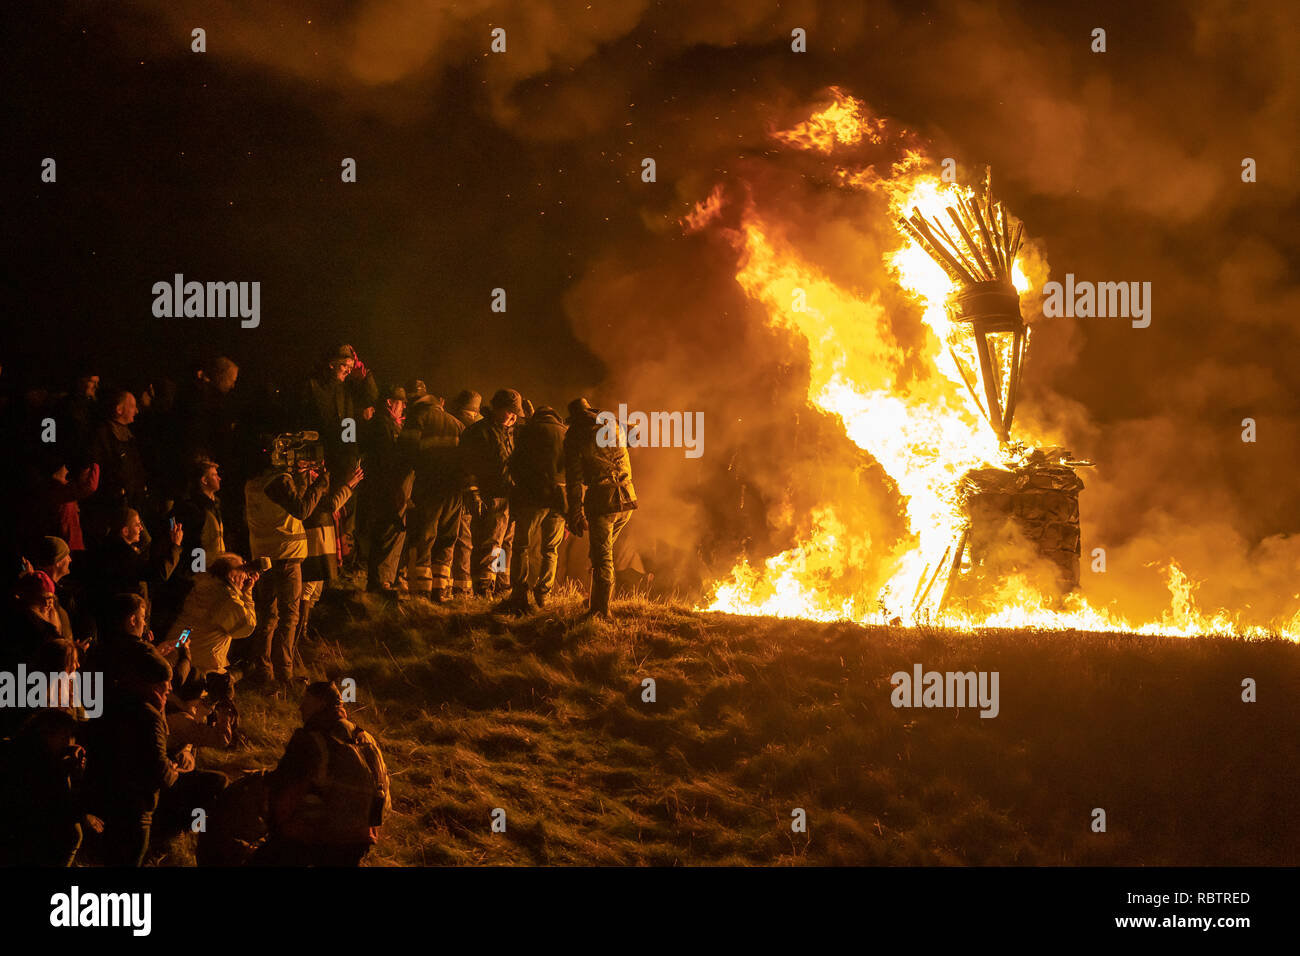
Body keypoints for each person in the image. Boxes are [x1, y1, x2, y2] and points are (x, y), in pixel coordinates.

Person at [253, 681, 390, 867]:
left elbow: (286, 793)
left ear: (321, 704)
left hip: (318, 835)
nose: (300, 707)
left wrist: (273, 825)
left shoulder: (310, 740)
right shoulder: (366, 738)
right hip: (362, 837)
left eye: (306, 702)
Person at [242, 439, 330, 691]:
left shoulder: (253, 483)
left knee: (267, 615)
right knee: (288, 617)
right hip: (287, 557)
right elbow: (301, 509)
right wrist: (320, 485)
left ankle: (262, 669)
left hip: (263, 557)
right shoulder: (278, 481)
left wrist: (299, 479)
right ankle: (285, 674)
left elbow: (282, 507)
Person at [86, 648, 181, 866]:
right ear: (153, 685)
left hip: (107, 803)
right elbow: (160, 772)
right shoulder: (148, 716)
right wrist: (173, 770)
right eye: (166, 683)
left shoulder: (110, 704)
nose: (171, 688)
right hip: (134, 811)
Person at [564, 398, 638, 619]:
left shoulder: (575, 435)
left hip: (603, 501)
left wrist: (575, 512)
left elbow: (574, 481)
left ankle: (601, 610)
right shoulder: (612, 422)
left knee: (602, 556)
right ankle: (596, 600)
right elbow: (635, 435)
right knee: (600, 552)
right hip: (627, 499)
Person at [0, 709, 102, 866]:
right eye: (66, 736)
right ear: (48, 732)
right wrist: (71, 773)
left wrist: (70, 771)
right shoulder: (27, 762)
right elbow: (58, 806)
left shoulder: (45, 758)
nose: (70, 743)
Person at [499, 406, 567, 614]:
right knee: (550, 549)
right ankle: (543, 593)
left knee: (522, 546)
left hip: (532, 498)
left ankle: (519, 593)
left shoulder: (528, 431)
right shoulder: (566, 432)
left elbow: (515, 464)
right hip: (558, 500)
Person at [460, 389, 522, 598]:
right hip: (491, 496)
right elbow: (467, 465)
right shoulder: (479, 432)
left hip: (510, 496)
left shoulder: (513, 432)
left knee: (505, 544)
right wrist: (474, 493)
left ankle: (501, 584)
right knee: (491, 542)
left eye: (516, 413)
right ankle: (484, 587)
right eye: (509, 412)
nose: (513, 417)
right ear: (496, 408)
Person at [405, 391, 466, 602]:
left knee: (424, 536)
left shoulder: (417, 419)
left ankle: (420, 591)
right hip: (453, 491)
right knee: (448, 538)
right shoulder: (457, 424)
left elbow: (405, 455)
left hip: (427, 488)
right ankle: (441, 590)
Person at [160, 553, 258, 681]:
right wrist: (248, 594)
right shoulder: (226, 599)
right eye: (243, 570)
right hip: (197, 668)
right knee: (245, 668)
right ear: (232, 575)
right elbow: (247, 627)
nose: (246, 576)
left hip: (173, 657)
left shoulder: (205, 584)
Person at [363, 385, 412, 593]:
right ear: (390, 402)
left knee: (390, 531)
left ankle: (382, 579)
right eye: (401, 402)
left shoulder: (386, 423)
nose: (403, 408)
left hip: (387, 487)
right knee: (389, 530)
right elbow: (386, 459)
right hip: (387, 488)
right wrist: (395, 488)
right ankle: (381, 581)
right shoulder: (383, 425)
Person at [87, 388, 150, 539]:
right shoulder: (103, 434)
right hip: (113, 506)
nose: (136, 410)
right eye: (132, 406)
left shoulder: (128, 435)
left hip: (131, 503)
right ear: (119, 409)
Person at [445, 390, 482, 598]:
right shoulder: (472, 430)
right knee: (465, 540)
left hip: (448, 491)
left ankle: (449, 584)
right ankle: (462, 586)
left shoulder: (449, 423)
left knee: (450, 538)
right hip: (465, 493)